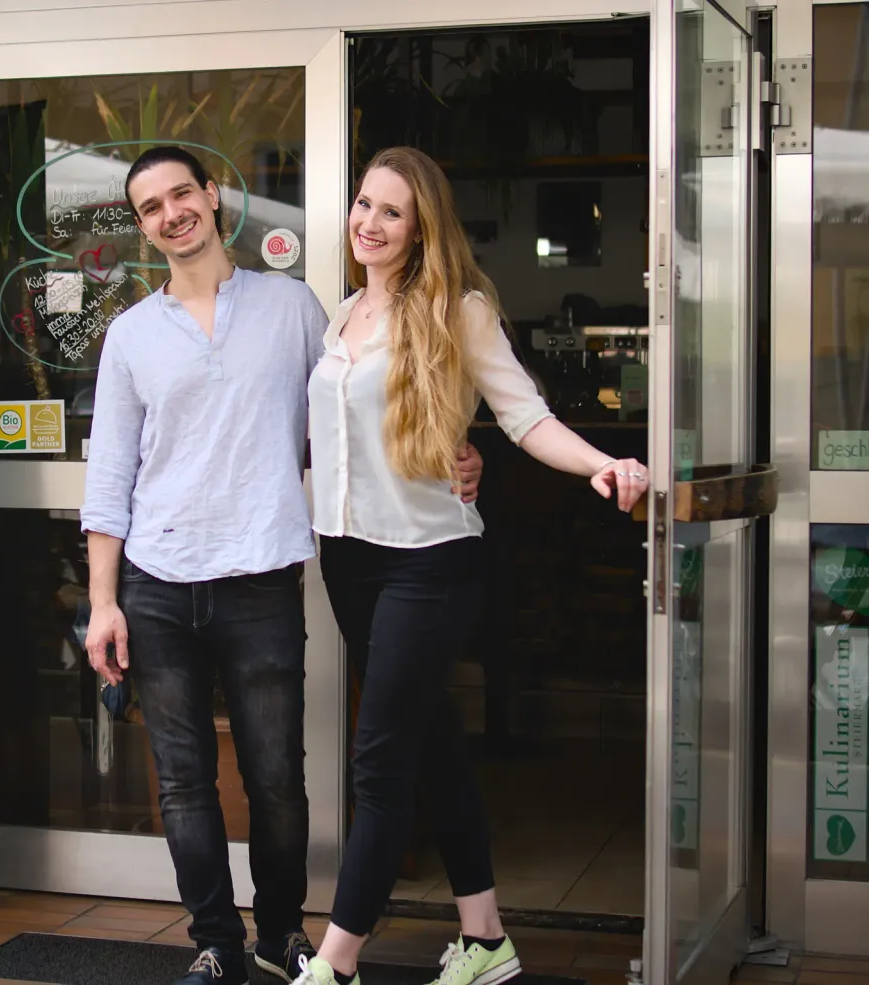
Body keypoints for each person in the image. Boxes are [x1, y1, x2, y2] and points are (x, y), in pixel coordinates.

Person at [80, 145, 485, 985]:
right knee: (186, 782)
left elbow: (362, 408)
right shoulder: (129, 336)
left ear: (214, 196)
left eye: (180, 194)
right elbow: (108, 478)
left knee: (277, 777)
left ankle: (282, 935)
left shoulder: (296, 308)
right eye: (150, 206)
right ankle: (215, 944)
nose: (170, 214)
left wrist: (453, 449)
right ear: (143, 226)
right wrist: (103, 602)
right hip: (157, 582)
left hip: (263, 575)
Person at [290, 146, 649, 985]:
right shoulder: (339, 315)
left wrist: (599, 461)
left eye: (391, 212)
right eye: (363, 204)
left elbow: (525, 416)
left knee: (379, 758)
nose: (368, 223)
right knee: (431, 743)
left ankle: (336, 962)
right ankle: (486, 941)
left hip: (430, 559)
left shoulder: (459, 310)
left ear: (421, 231)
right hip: (348, 558)